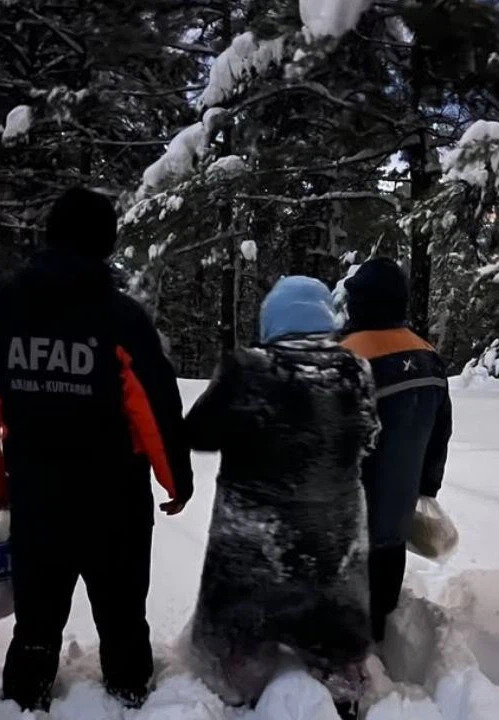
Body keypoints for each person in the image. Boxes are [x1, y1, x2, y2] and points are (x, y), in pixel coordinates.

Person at [0, 188, 193, 712]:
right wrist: (175, 479)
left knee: (36, 616)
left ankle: (23, 698)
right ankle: (129, 693)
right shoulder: (122, 319)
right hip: (115, 497)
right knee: (124, 611)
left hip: (36, 494)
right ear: (105, 243)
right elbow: (153, 407)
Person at [184, 276, 378, 716]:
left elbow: (197, 432)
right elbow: (369, 437)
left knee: (240, 637)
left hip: (255, 545)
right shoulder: (356, 370)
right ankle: (340, 691)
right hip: (333, 541)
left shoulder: (249, 368)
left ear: (272, 320)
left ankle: (238, 693)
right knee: (334, 632)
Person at [340, 258, 453, 642]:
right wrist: (426, 488)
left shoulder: (347, 358)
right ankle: (378, 666)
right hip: (397, 519)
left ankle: (345, 695)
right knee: (378, 612)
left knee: (345, 622)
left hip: (347, 525)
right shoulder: (430, 358)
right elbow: (440, 433)